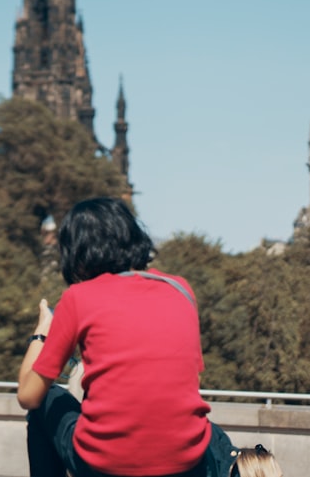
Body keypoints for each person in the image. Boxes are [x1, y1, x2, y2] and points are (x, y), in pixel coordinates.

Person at [18, 196, 229, 477]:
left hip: (106, 466)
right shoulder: (181, 289)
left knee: (48, 399)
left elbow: (28, 396)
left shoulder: (78, 298)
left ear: (75, 252)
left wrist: (41, 332)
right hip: (186, 464)